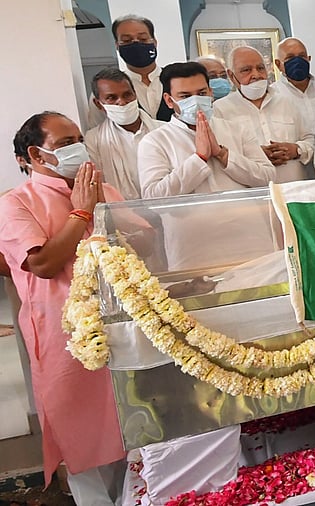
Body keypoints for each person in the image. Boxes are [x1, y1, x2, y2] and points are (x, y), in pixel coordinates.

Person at [0, 112, 129, 505]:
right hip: (66, 339)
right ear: (36, 155)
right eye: (65, 143)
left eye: (79, 139)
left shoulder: (105, 190)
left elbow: (144, 241)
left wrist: (103, 208)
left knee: (132, 430)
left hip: (123, 328)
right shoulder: (16, 203)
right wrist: (82, 213)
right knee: (83, 437)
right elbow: (42, 264)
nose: (78, 149)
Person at [138, 62, 275, 197]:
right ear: (169, 100)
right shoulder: (155, 141)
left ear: (211, 92)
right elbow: (152, 195)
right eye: (185, 96)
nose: (196, 101)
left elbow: (268, 177)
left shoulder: (236, 129)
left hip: (244, 211)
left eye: (202, 93)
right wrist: (199, 158)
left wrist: (223, 155)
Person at [213, 46, 315, 182]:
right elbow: (221, 154)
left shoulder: (287, 102)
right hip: (252, 189)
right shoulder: (221, 109)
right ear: (231, 75)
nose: (256, 75)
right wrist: (255, 155)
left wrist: (296, 150)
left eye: (260, 68)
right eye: (246, 70)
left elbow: (311, 140)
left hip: (294, 187)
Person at [84, 68, 162, 200]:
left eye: (127, 95)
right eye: (111, 98)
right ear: (98, 104)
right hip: (121, 210)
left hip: (168, 207)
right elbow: (99, 186)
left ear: (135, 95)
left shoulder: (164, 129)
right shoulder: (93, 140)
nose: (122, 102)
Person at [272, 37, 315, 141]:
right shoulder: (273, 95)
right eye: (290, 57)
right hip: (297, 151)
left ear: (309, 59)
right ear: (278, 64)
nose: (297, 61)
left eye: (302, 56)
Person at [112, 15, 170, 121]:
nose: (136, 43)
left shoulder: (175, 79)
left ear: (154, 42)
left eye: (143, 39)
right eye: (126, 40)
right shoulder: (110, 88)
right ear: (117, 45)